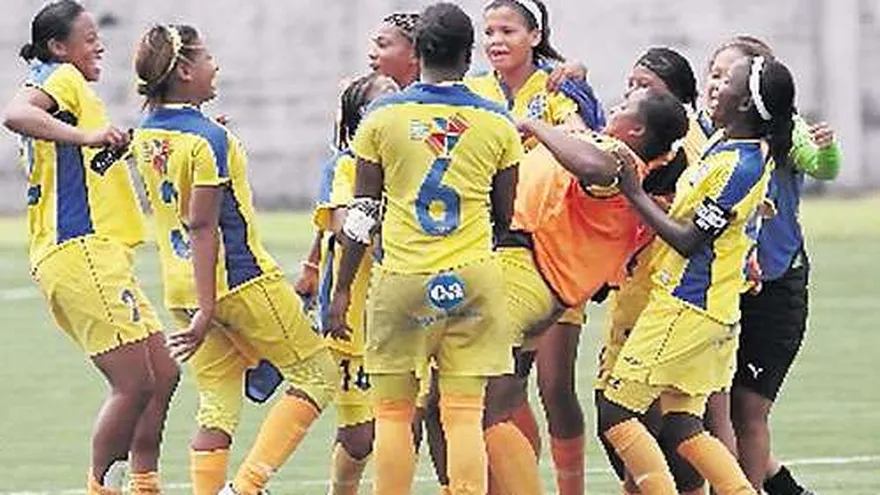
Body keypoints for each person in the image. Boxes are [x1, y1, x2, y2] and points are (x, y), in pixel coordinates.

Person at [131, 24, 337, 495]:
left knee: (217, 402)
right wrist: (209, 309)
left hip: (181, 287)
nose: (215, 66)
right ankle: (245, 488)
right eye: (207, 58)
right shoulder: (208, 139)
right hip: (238, 281)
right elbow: (203, 225)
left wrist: (199, 308)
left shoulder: (148, 132)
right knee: (318, 373)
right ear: (185, 71)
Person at [326, 3, 522, 493]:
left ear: (418, 52)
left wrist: (342, 289)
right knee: (463, 413)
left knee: (392, 414)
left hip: (402, 280)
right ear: (469, 54)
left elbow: (363, 213)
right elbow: (505, 215)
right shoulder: (497, 121)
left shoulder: (382, 117)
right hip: (472, 277)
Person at [598, 54, 796, 495]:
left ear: (745, 104)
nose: (713, 85)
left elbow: (689, 240)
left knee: (617, 413)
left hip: (688, 306)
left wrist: (633, 190)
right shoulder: (729, 145)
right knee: (682, 425)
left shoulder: (739, 166)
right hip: (709, 307)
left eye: (725, 81)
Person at [2, 2, 179, 493]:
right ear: (59, 47)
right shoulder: (59, 78)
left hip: (100, 255)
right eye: (89, 38)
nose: (99, 46)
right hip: (79, 251)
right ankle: (102, 488)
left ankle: (143, 485)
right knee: (135, 383)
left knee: (162, 373)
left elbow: (85, 162)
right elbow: (15, 113)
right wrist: (86, 136)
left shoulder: (71, 90)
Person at [702, 36, 841, 495]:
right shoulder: (707, 130)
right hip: (722, 288)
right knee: (710, 409)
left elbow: (823, 168)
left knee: (747, 410)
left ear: (753, 94)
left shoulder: (784, 133)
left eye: (727, 77)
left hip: (776, 284)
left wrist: (826, 149)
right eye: (713, 73)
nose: (715, 84)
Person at [594, 46, 709, 495]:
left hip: (661, 297)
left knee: (626, 415)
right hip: (646, 293)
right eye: (631, 84)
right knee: (673, 423)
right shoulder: (666, 141)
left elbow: (689, 229)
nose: (631, 93)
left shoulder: (681, 150)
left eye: (644, 87)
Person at [311, 72, 399, 495]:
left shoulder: (409, 162)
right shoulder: (344, 166)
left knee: (400, 423)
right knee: (359, 435)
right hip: (353, 316)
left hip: (401, 311)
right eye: (382, 101)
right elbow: (347, 230)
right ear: (360, 117)